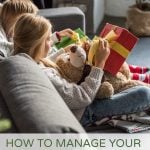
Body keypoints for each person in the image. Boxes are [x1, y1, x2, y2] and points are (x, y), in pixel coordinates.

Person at [13, 13, 150, 128]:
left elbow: (44, 61)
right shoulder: (45, 75)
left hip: (79, 102)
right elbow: (83, 97)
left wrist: (62, 45)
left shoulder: (24, 59)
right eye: (48, 39)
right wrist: (99, 64)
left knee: (120, 81)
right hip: (83, 112)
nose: (51, 42)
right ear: (37, 43)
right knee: (144, 93)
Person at [0, 0, 73, 58]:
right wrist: (62, 51)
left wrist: (55, 37)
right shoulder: (4, 46)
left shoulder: (12, 31)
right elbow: (32, 55)